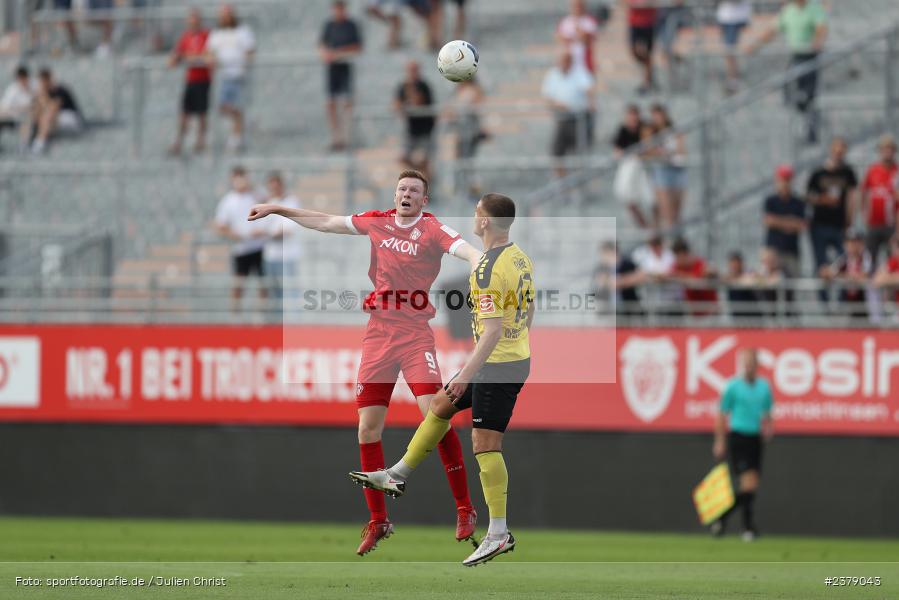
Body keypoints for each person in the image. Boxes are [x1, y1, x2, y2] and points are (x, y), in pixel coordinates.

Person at [248, 170, 484, 556]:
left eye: (414, 191)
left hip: (413, 335)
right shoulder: (378, 221)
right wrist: (277, 208)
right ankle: (379, 521)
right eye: (402, 188)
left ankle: (464, 509)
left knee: (435, 415)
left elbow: (465, 250)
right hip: (378, 335)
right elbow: (325, 222)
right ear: (396, 195)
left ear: (425, 200)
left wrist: (481, 263)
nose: (406, 194)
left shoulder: (432, 229)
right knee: (367, 428)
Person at [349, 193, 535, 567]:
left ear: (484, 222)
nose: (473, 216)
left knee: (485, 443)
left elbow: (492, 332)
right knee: (439, 406)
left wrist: (467, 376)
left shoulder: (485, 269)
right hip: (512, 358)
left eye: (476, 212)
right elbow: (528, 308)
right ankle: (397, 474)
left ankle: (498, 533)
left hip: (496, 366)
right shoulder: (519, 256)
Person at [711, 348, 774, 541]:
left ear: (757, 365)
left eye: (751, 362)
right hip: (738, 436)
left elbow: (768, 412)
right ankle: (747, 528)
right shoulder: (733, 387)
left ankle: (723, 518)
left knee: (751, 486)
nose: (748, 366)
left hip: (755, 437)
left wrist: (768, 427)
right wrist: (720, 440)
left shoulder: (764, 387)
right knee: (747, 482)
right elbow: (722, 414)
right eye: (745, 362)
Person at [748, 0, 828, 144]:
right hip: (797, 55)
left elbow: (821, 27)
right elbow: (773, 30)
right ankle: (802, 117)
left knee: (809, 95)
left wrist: (817, 41)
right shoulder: (788, 10)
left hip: (810, 55)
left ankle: (811, 130)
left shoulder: (813, 7)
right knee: (790, 88)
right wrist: (756, 45)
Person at [213, 166, 268, 312]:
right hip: (241, 248)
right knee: (239, 284)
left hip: (260, 246)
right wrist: (235, 235)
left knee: (263, 284)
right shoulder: (228, 201)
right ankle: (236, 317)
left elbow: (268, 199)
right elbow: (220, 225)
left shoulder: (255, 195)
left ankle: (262, 316)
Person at [206, 4, 255, 153]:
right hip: (224, 75)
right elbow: (209, 51)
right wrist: (211, 59)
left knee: (237, 105)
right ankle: (236, 133)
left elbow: (250, 50)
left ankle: (236, 138)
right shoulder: (217, 33)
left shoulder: (242, 31)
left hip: (239, 74)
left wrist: (244, 62)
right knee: (224, 106)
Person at [806, 137, 858, 274]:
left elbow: (852, 198)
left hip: (839, 224)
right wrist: (824, 199)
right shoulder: (818, 173)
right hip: (820, 224)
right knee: (820, 263)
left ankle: (841, 295)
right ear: (831, 149)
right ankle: (823, 295)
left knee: (843, 261)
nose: (839, 152)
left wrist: (849, 221)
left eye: (842, 149)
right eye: (836, 148)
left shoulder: (848, 172)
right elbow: (809, 196)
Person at [542, 50, 595, 179]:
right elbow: (547, 97)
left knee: (578, 151)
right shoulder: (553, 75)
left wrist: (588, 104)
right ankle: (563, 182)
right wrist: (558, 105)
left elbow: (589, 90)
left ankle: (578, 181)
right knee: (557, 152)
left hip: (578, 119)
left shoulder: (579, 73)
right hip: (561, 119)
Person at [320, 0, 362, 152]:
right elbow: (322, 44)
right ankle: (335, 136)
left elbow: (357, 46)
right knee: (330, 102)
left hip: (345, 66)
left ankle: (347, 135)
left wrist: (338, 53)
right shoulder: (329, 25)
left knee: (346, 102)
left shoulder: (351, 25)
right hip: (332, 68)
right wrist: (326, 53)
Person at [168, 7, 211, 156]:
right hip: (191, 79)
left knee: (202, 112)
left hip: (203, 79)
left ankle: (201, 141)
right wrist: (182, 57)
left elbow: (207, 56)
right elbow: (176, 56)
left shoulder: (206, 35)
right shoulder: (185, 37)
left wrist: (189, 57)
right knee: (185, 113)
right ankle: (179, 141)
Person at [260, 172, 301, 304]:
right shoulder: (267, 203)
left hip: (288, 255)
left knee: (291, 291)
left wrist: (270, 234)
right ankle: (277, 322)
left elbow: (288, 229)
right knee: (274, 292)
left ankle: (294, 321)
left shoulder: (291, 202)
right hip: (271, 255)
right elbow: (261, 228)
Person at [645, 104, 687, 231]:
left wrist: (668, 152)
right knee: (665, 206)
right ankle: (668, 231)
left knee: (677, 205)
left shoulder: (673, 130)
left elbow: (681, 149)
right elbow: (649, 150)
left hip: (676, 167)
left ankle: (674, 230)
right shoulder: (650, 132)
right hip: (661, 169)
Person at [443, 76, 487, 194]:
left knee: (469, 157)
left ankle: (472, 182)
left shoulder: (474, 91)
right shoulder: (456, 92)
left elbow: (478, 109)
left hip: (471, 130)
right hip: (458, 130)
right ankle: (454, 182)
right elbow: (449, 111)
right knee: (456, 156)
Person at [860, 135, 899, 266]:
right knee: (870, 259)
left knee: (892, 260)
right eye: (884, 149)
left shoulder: (897, 172)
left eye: (890, 149)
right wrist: (864, 216)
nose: (887, 152)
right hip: (873, 224)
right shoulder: (872, 170)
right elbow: (864, 193)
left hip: (892, 225)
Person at [612, 104, 653, 229]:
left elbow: (648, 148)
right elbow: (616, 152)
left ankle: (652, 226)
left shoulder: (644, 128)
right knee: (628, 197)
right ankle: (644, 225)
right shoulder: (623, 130)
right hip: (629, 166)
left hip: (644, 167)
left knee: (650, 199)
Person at [763, 164, 807, 278]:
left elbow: (801, 225)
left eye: (787, 180)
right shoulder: (771, 201)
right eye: (782, 179)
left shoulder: (798, 202)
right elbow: (769, 221)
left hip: (791, 250)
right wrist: (790, 222)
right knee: (771, 286)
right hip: (774, 250)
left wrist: (779, 222)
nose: (785, 183)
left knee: (792, 285)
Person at [395, 61, 436, 180]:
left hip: (425, 131)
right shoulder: (402, 86)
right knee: (403, 157)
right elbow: (396, 105)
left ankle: (427, 186)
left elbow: (418, 102)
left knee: (424, 160)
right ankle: (419, 174)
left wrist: (410, 89)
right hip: (411, 131)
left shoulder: (423, 86)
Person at [820, 230, 873, 319]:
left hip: (866, 302)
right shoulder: (845, 258)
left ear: (860, 244)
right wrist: (844, 276)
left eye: (854, 242)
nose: (851, 245)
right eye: (849, 242)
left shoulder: (866, 256)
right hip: (851, 300)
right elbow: (827, 272)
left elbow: (863, 276)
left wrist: (841, 275)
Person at [31, 68, 82, 155]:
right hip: (55, 122)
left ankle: (39, 144)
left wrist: (43, 97)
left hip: (70, 118)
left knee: (47, 114)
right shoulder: (42, 93)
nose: (43, 84)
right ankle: (29, 142)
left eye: (44, 81)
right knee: (37, 116)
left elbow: (53, 108)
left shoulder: (60, 90)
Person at [717, 0, 752, 93]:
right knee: (728, 51)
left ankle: (734, 80)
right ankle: (732, 80)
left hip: (739, 18)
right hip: (726, 18)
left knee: (732, 51)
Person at [556, 0, 599, 74]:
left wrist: (578, 31)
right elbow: (560, 38)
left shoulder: (589, 21)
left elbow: (588, 40)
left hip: (585, 63)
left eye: (579, 5)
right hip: (569, 64)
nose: (577, 8)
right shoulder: (566, 21)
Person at [0, 66, 34, 154]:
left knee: (26, 122)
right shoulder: (13, 89)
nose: (23, 81)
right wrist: (20, 109)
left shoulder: (33, 87)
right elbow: (4, 107)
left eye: (24, 78)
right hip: (13, 117)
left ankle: (24, 147)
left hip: (28, 118)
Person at [627, 0, 657, 95]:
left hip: (648, 23)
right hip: (635, 23)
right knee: (635, 51)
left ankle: (647, 81)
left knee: (647, 54)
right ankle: (648, 74)